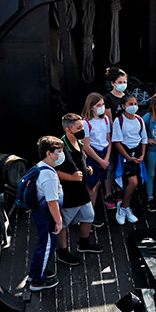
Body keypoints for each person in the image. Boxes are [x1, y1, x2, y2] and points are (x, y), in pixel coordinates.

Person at [54, 113, 104, 266]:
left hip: (81, 191)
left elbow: (80, 160)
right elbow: (52, 170)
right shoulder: (60, 148)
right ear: (68, 130)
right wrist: (71, 177)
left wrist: (87, 168)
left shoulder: (79, 143)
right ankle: (62, 251)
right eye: (79, 128)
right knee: (63, 224)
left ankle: (84, 243)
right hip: (69, 192)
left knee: (89, 215)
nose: (83, 130)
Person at [27, 136, 64, 291]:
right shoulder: (48, 176)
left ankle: (34, 271)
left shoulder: (40, 167)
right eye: (59, 151)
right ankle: (37, 281)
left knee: (43, 243)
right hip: (47, 215)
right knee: (48, 245)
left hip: (40, 213)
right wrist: (59, 221)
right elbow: (51, 202)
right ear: (49, 153)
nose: (62, 154)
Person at [111, 93, 148, 225]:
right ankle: (124, 207)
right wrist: (128, 157)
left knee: (135, 182)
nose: (133, 106)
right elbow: (117, 141)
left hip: (137, 154)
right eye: (130, 104)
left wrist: (142, 155)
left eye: (135, 104)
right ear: (123, 106)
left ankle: (125, 206)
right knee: (133, 182)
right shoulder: (118, 120)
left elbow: (144, 139)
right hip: (125, 156)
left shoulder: (139, 120)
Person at [81, 92, 112, 223]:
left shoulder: (105, 120)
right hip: (93, 156)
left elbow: (109, 140)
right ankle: (87, 217)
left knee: (97, 185)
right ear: (91, 106)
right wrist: (101, 161)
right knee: (91, 188)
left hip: (104, 153)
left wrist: (106, 159)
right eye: (98, 105)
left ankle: (90, 215)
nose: (101, 107)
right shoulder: (86, 123)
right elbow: (86, 146)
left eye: (103, 104)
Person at [103, 67, 128, 205]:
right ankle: (108, 193)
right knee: (111, 166)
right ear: (113, 83)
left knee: (122, 165)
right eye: (120, 81)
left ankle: (119, 190)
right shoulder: (107, 98)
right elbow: (109, 120)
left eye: (124, 81)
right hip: (113, 137)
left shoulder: (126, 96)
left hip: (126, 137)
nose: (123, 84)